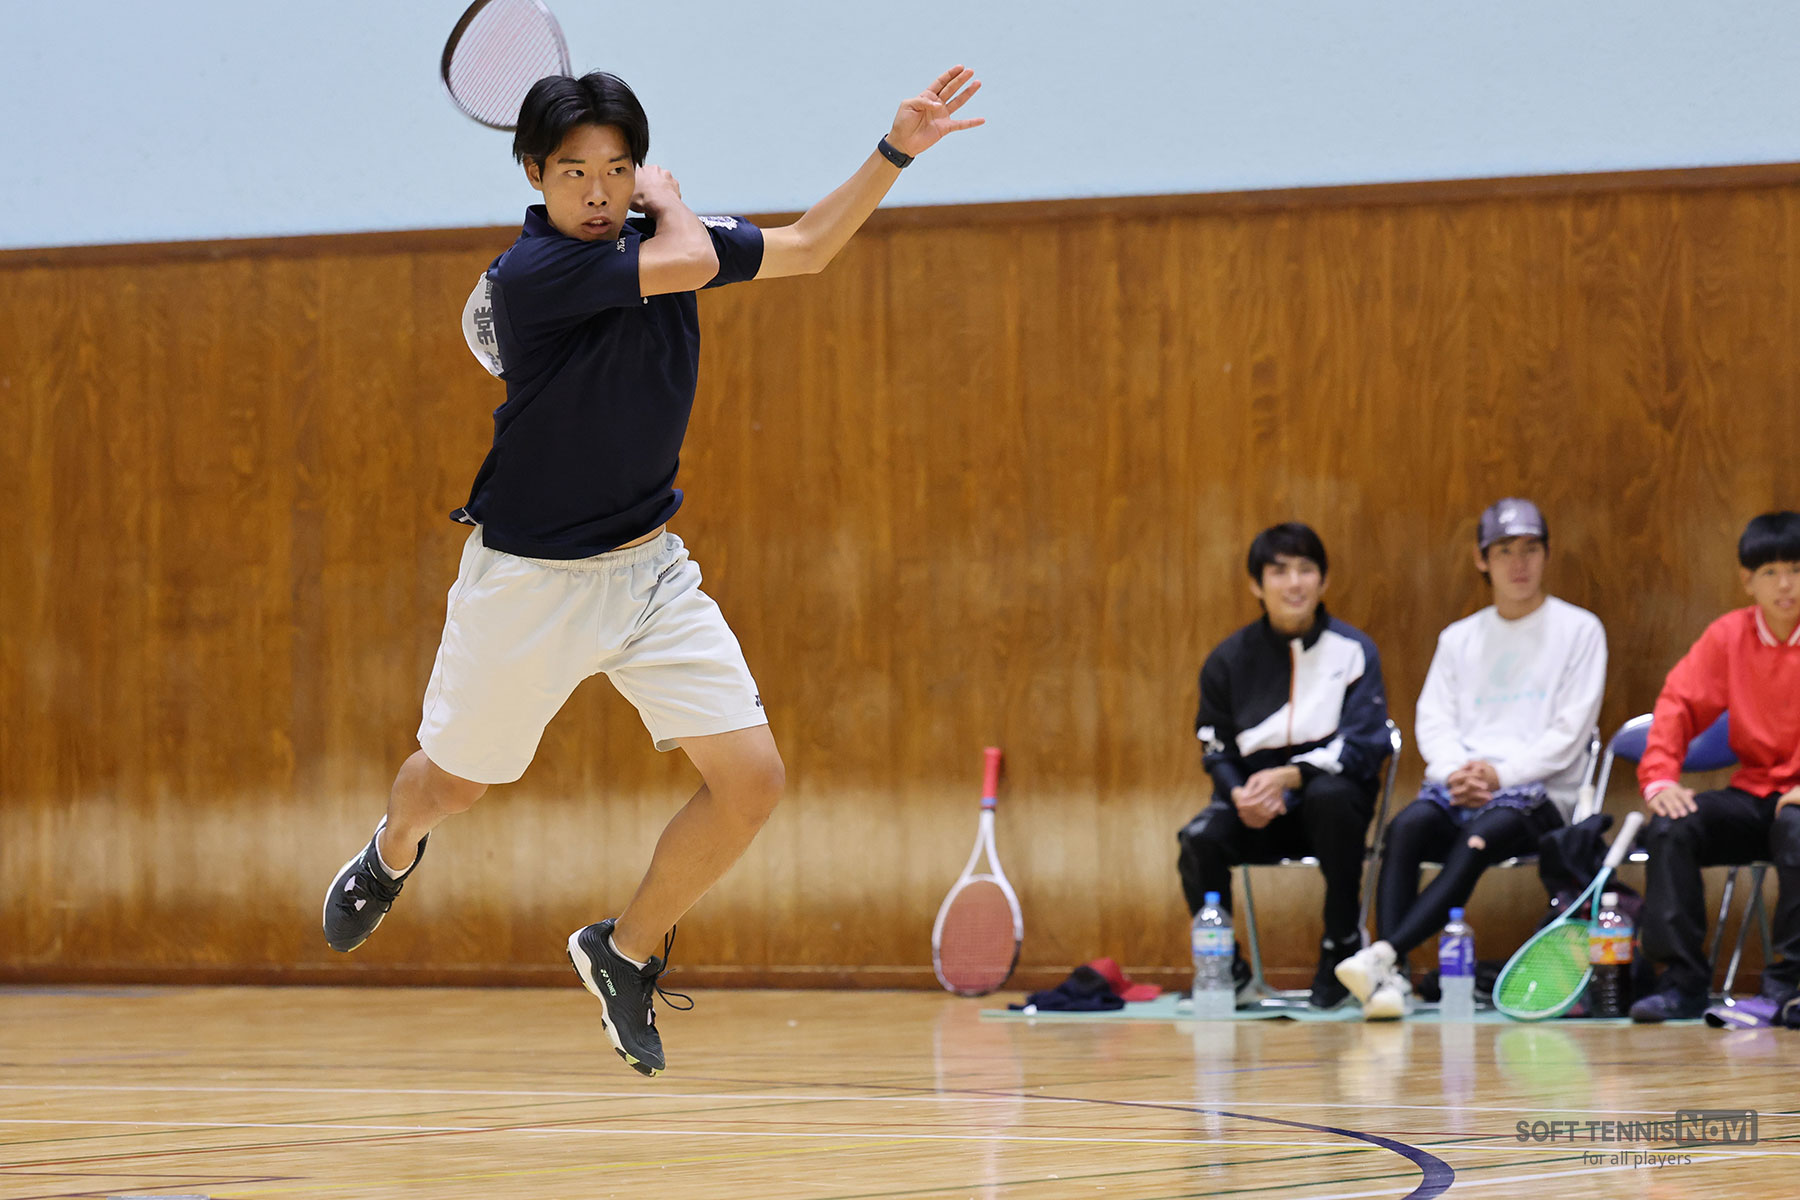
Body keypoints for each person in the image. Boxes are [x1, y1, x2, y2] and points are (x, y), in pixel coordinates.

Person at [321, 67, 984, 1076]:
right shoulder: (534, 272)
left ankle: (623, 952)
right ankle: (390, 850)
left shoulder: (667, 239)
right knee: (453, 785)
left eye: (618, 169)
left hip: (647, 572)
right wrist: (670, 204)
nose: (599, 192)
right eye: (575, 172)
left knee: (752, 783)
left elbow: (809, 248)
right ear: (533, 174)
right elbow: (683, 258)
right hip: (530, 582)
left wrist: (893, 151)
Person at [1334, 499, 1606, 1019]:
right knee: (1406, 829)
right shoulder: (1459, 638)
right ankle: (1392, 980)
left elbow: (1571, 733)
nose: (1519, 563)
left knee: (1482, 835)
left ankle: (1382, 957)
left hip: (1540, 795)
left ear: (1547, 555)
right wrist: (1457, 773)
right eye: (1504, 552)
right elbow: (1433, 721)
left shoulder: (1580, 630)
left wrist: (1501, 775)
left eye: (1530, 549)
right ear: (1483, 560)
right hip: (1459, 785)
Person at [1176, 522, 1392, 1008]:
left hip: (1331, 808)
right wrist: (1240, 795)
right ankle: (1224, 969)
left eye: (1305, 570)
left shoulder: (1354, 651)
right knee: (1199, 839)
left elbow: (1364, 744)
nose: (1294, 583)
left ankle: (1340, 948)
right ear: (1257, 584)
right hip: (1258, 811)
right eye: (1279, 571)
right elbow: (1215, 747)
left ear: (1323, 580)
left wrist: (1290, 776)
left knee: (1332, 799)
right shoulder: (1227, 660)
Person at [1629, 511, 1800, 1025]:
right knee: (1671, 826)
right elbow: (1677, 704)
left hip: (1797, 804)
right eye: (1770, 572)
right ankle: (1681, 983)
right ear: (1748, 581)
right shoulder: (1729, 636)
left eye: (1796, 569)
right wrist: (1660, 778)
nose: (1786, 584)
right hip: (1754, 793)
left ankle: (1790, 985)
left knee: (1798, 829)